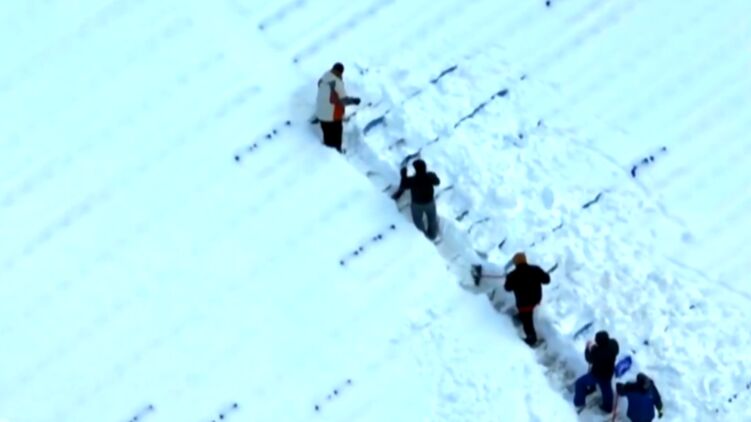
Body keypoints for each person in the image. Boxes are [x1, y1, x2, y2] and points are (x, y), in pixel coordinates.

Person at [503, 252, 551, 346]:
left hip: (524, 304)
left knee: (527, 321)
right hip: (536, 300)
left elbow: (507, 288)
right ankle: (519, 319)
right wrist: (545, 274)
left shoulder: (512, 275)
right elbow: (547, 280)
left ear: (515, 263)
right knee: (526, 317)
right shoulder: (535, 269)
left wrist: (508, 279)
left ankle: (532, 339)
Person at [315, 62, 361, 152]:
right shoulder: (337, 82)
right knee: (336, 135)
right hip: (332, 116)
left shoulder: (325, 76)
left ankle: (326, 153)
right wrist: (354, 101)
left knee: (327, 136)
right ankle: (337, 153)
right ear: (340, 72)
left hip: (320, 114)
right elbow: (343, 100)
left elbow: (319, 84)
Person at [391, 159, 440, 240]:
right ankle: (432, 235)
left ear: (416, 169)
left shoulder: (413, 180)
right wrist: (433, 175)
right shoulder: (429, 176)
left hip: (417, 205)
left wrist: (403, 174)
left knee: (418, 221)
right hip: (430, 203)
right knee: (432, 219)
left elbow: (403, 185)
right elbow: (437, 182)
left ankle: (423, 237)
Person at [573, 330, 620, 413]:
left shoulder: (597, 352)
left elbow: (589, 359)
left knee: (579, 383)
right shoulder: (613, 344)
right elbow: (614, 349)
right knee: (607, 390)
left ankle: (579, 403)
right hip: (608, 373)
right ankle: (608, 407)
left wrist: (587, 348)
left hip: (597, 375)